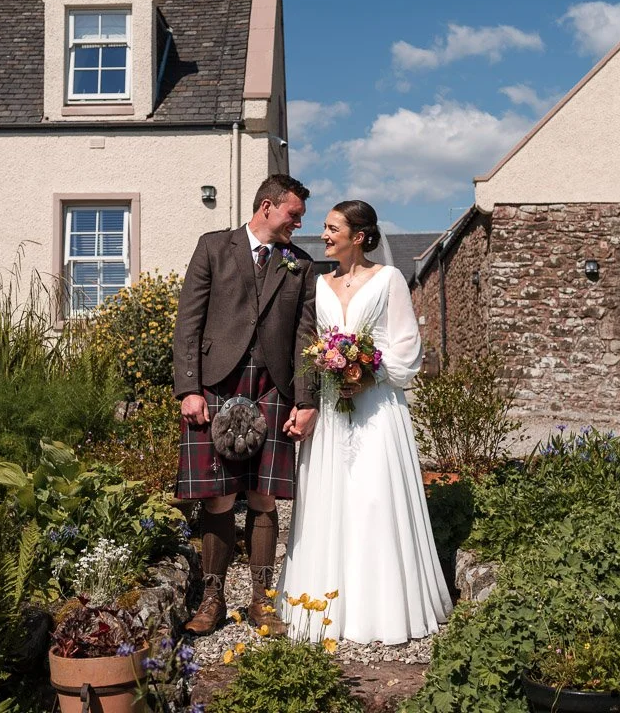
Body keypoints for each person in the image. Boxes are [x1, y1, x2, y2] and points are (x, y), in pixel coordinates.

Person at [277, 200, 452, 644]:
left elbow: (407, 348)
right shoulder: (318, 285)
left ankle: (384, 608)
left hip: (376, 410)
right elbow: (310, 345)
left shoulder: (389, 279)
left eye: (333, 228)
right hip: (333, 413)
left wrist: (367, 370)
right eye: (325, 227)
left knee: (374, 500)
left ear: (358, 235)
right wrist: (326, 371)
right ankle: (322, 605)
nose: (325, 234)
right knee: (328, 499)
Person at [172, 174, 319, 636]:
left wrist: (306, 399)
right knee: (217, 496)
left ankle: (262, 601)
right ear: (267, 207)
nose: (299, 222)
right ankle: (212, 600)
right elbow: (188, 322)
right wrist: (189, 388)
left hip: (274, 387)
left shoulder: (301, 264)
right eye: (294, 214)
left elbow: (305, 337)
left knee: (263, 495)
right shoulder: (214, 247)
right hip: (216, 385)